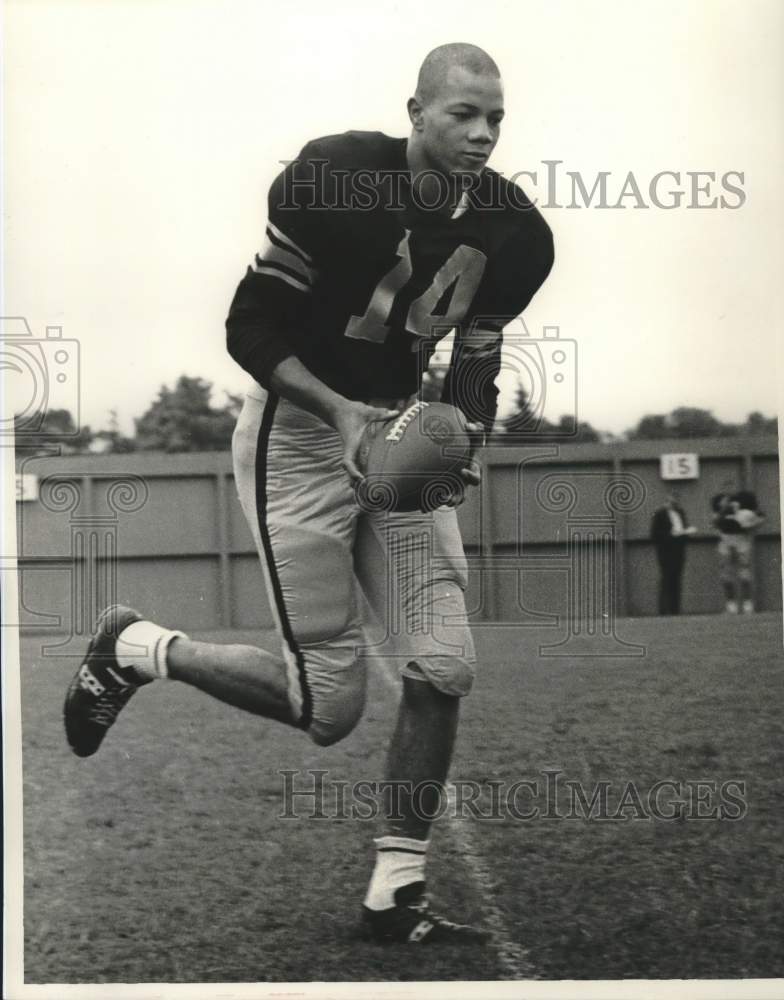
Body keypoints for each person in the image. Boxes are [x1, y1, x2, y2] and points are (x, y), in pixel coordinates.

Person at [63, 43, 554, 943]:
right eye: (462, 116)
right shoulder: (333, 178)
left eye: (496, 120)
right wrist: (336, 412)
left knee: (443, 662)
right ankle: (136, 648)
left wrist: (462, 441)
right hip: (299, 439)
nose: (482, 135)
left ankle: (395, 887)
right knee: (328, 710)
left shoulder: (515, 230)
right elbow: (249, 323)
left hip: (400, 439)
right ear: (414, 111)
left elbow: (475, 360)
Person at [710, 484, 765, 613]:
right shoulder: (719, 504)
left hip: (740, 538)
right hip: (726, 538)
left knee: (744, 571)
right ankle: (731, 605)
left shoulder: (745, 504)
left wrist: (751, 524)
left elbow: (760, 517)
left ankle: (747, 604)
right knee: (726, 573)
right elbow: (714, 522)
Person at [650, 492, 696, 615]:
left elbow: (684, 528)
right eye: (671, 501)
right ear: (667, 501)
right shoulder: (660, 514)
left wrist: (686, 533)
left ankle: (675, 609)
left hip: (679, 550)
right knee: (666, 578)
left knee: (677, 579)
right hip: (666, 551)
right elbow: (654, 534)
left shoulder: (680, 513)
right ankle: (664, 610)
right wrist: (670, 535)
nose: (673, 503)